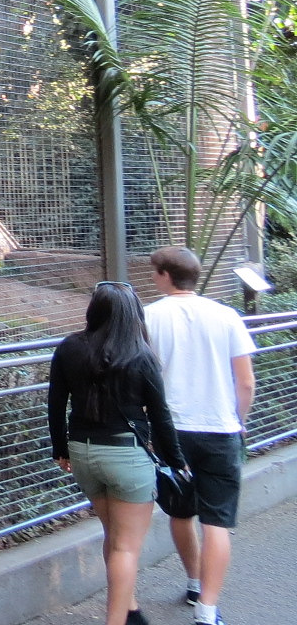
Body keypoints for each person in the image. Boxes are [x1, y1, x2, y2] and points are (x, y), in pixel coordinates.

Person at [49, 280, 186, 625]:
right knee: (127, 546)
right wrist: (176, 461)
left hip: (83, 453)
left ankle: (131, 608)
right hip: (126, 456)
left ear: (94, 310)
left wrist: (60, 449)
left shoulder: (69, 347)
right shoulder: (140, 355)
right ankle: (117, 620)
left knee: (113, 534)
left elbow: (55, 404)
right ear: (133, 314)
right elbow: (160, 416)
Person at [144, 245, 257, 625]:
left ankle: (193, 581)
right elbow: (245, 382)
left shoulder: (148, 317)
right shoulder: (227, 316)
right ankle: (208, 609)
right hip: (220, 428)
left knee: (180, 511)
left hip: (170, 431)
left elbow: (141, 378)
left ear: (164, 275)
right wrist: (238, 421)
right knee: (218, 521)